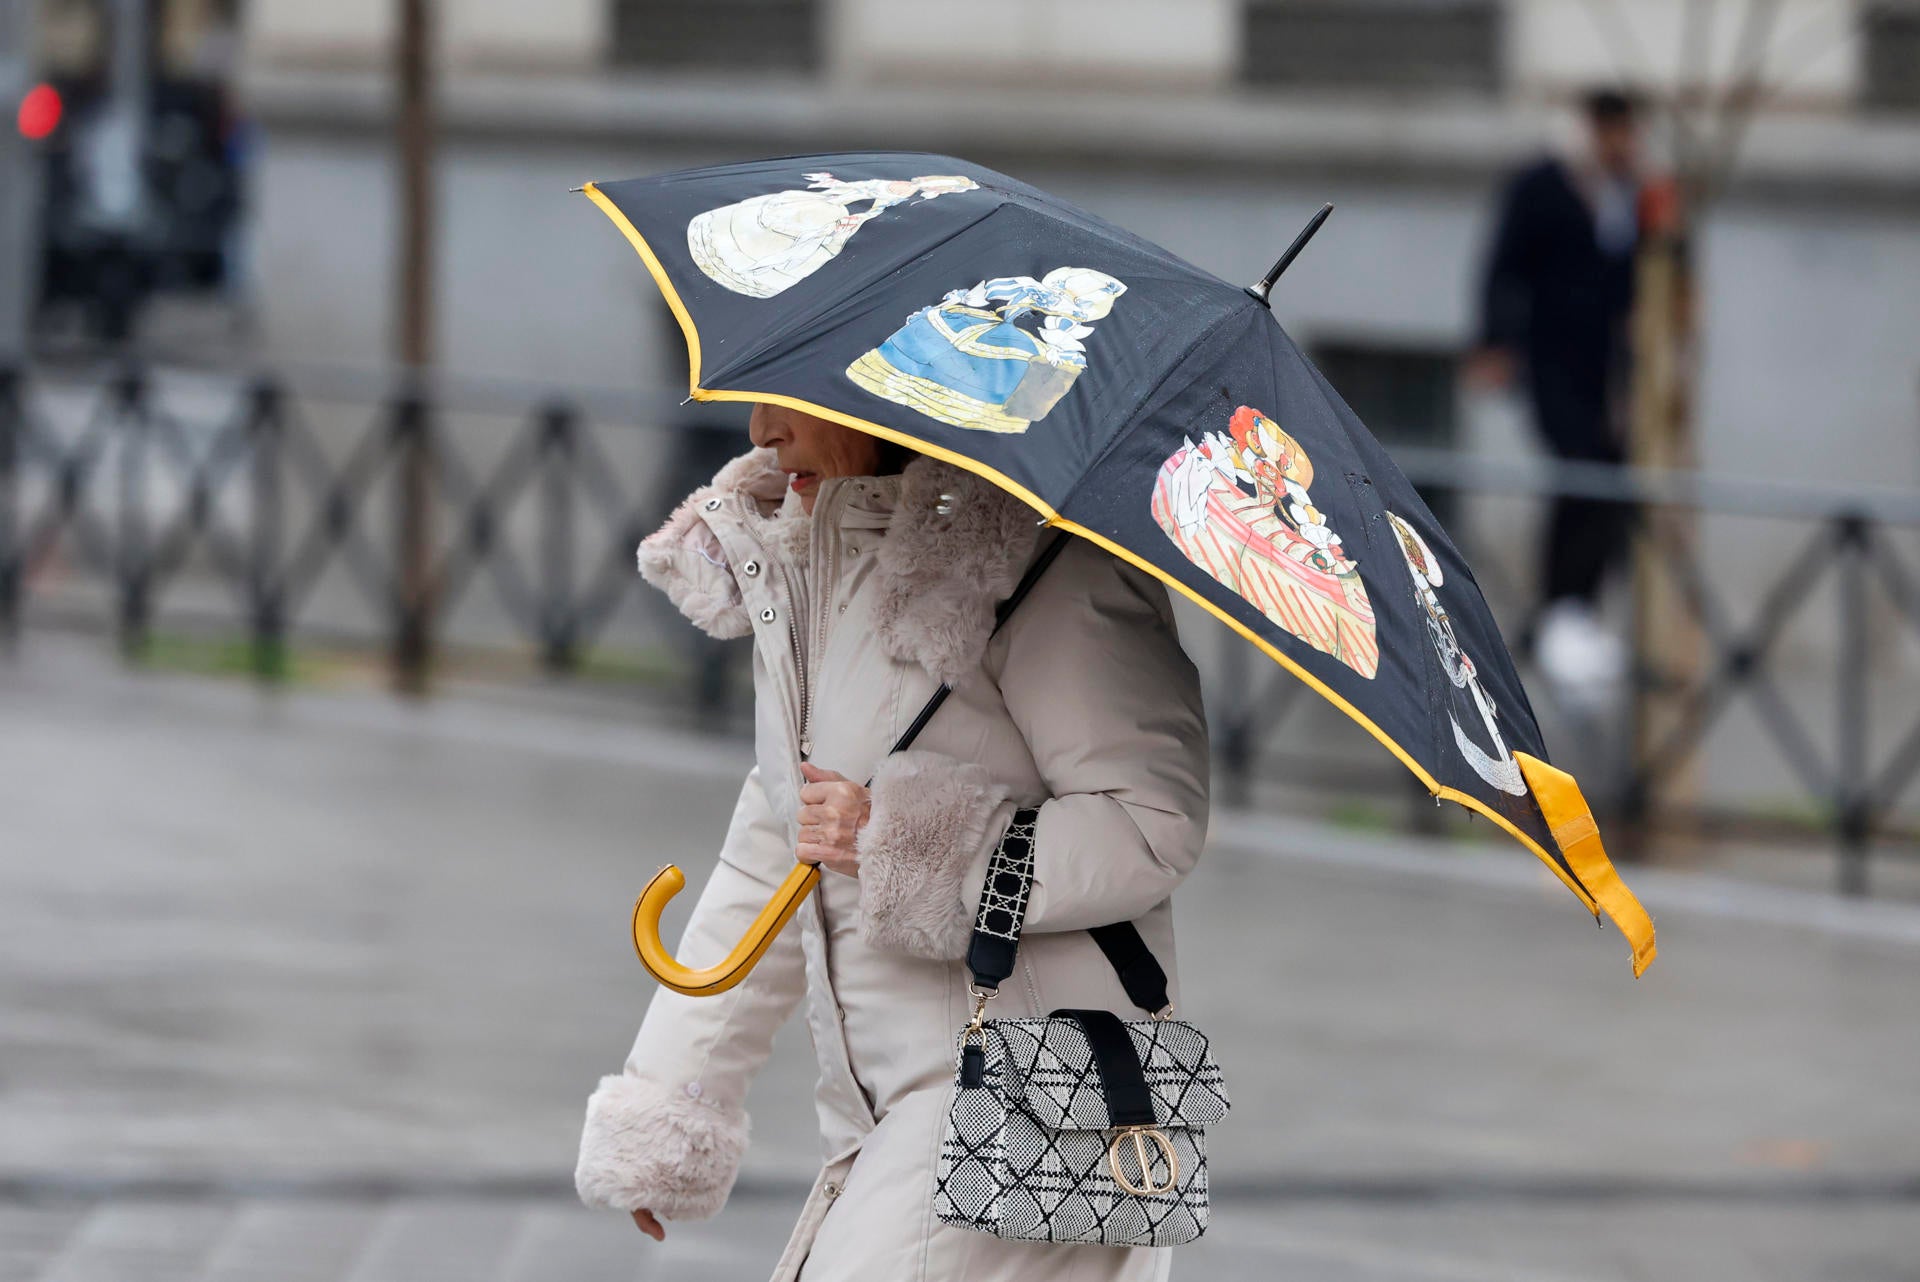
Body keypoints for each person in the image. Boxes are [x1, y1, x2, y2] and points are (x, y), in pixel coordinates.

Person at [574, 403, 1210, 1281]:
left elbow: (1150, 823)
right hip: (892, 1108)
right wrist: (674, 1099)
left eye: (793, 400)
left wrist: (905, 844)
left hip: (1025, 1096)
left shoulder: (1045, 563)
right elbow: (774, 845)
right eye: (756, 399)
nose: (763, 431)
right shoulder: (812, 571)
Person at [1469, 88, 1646, 709]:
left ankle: (1579, 611)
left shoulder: (1628, 193)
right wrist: (1494, 342)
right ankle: (1556, 614)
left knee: (1608, 483)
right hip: (1552, 365)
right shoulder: (1544, 184)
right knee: (1576, 475)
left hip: (1612, 374)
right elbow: (1502, 263)